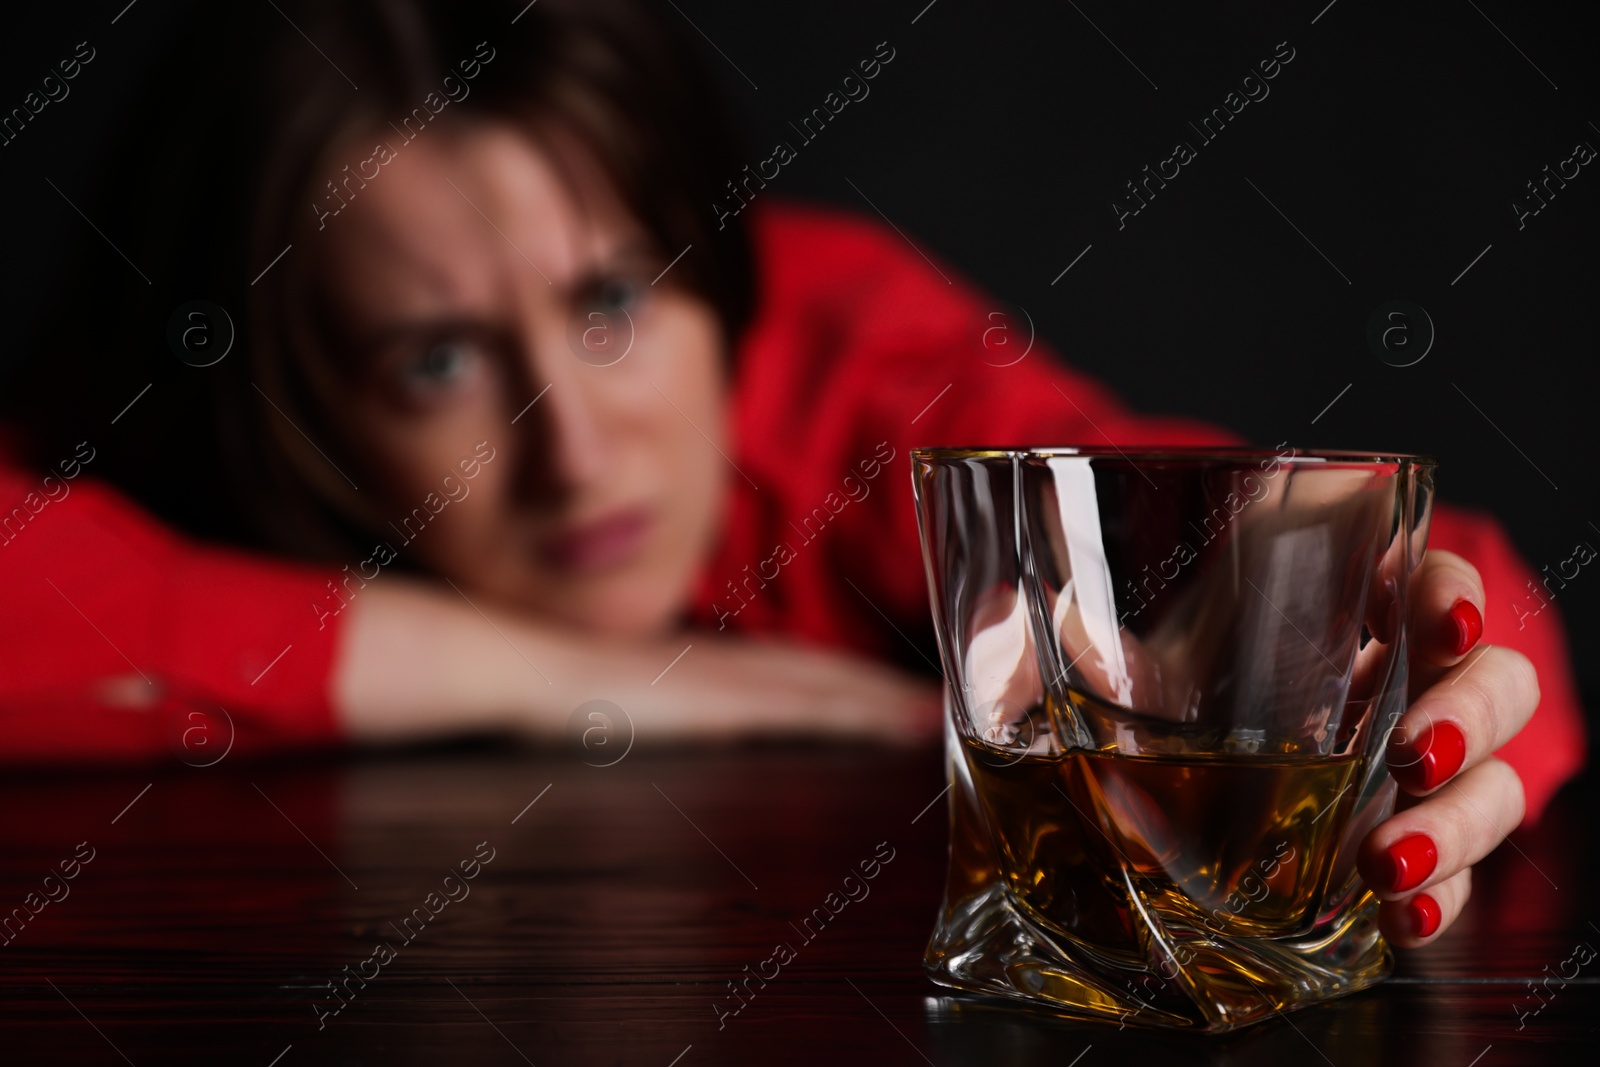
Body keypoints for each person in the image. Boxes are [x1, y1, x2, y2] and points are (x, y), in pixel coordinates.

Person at [0, 0, 1581, 954]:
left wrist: (1344, 581)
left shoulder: (842, 361)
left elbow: (1213, 516)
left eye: (614, 303)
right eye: (436, 361)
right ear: (283, 397)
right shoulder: (154, 428)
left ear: (713, 268)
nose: (576, 443)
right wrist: (597, 681)